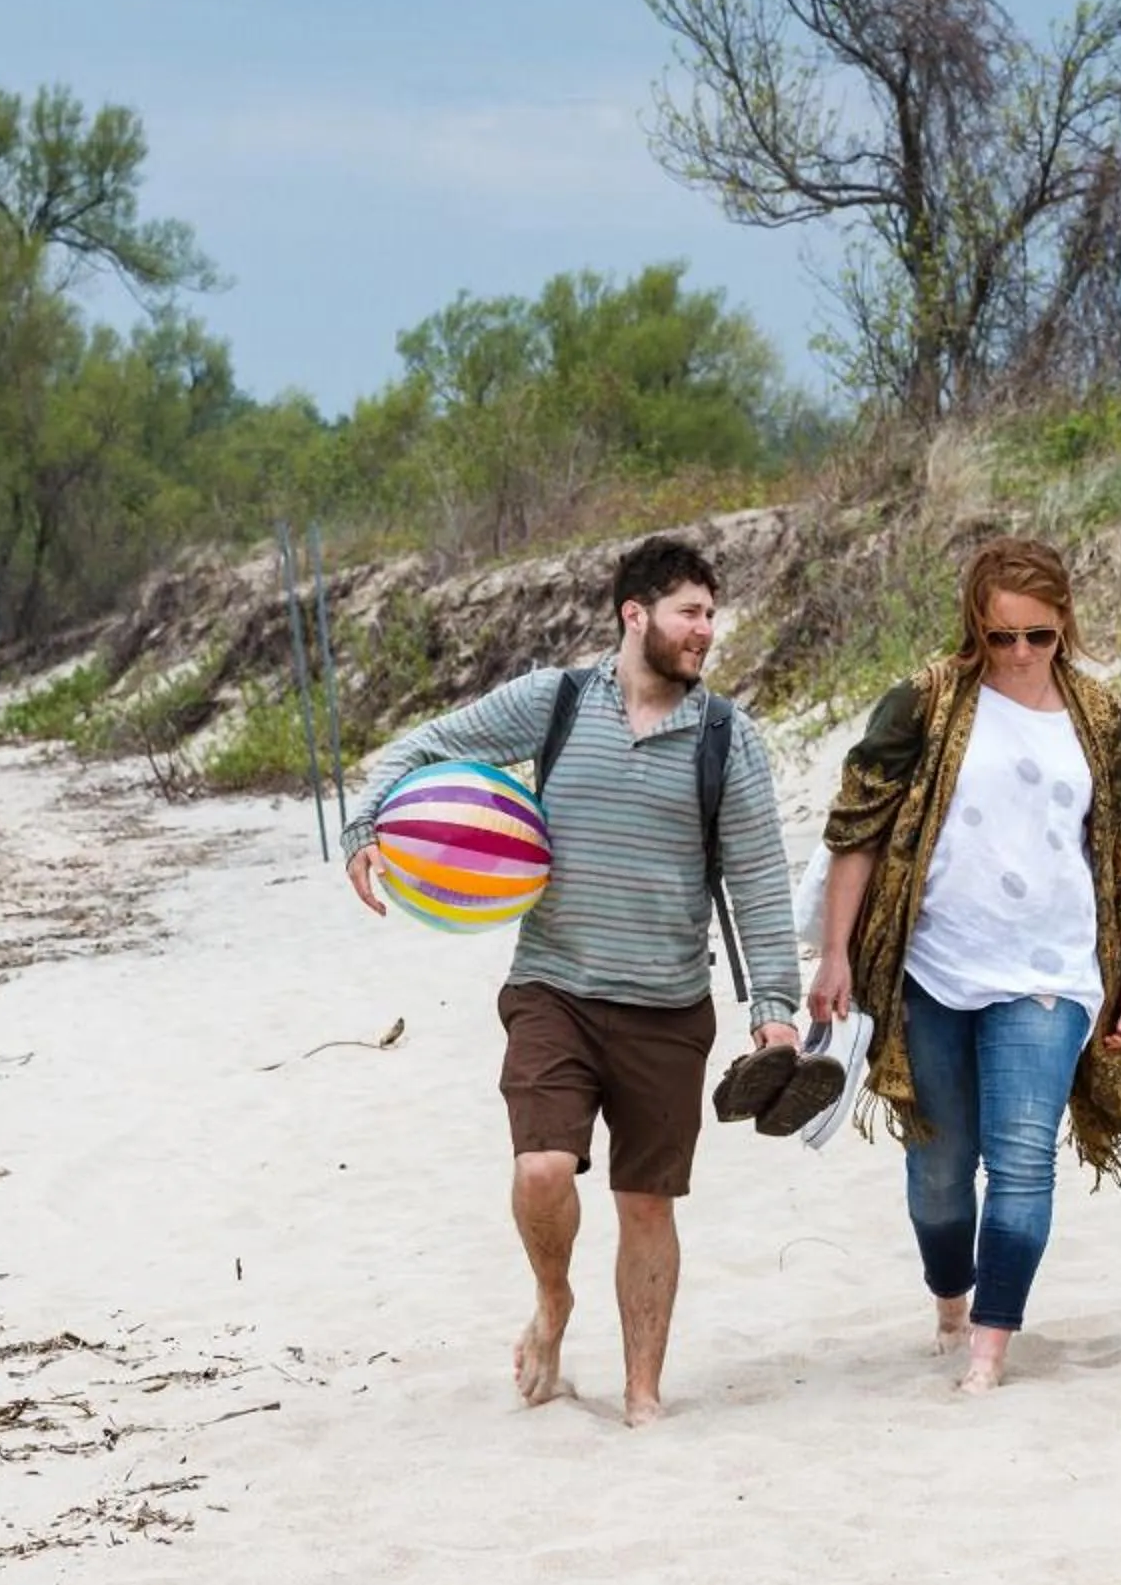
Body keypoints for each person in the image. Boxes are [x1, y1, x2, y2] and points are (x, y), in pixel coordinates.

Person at [344, 536, 803, 1427]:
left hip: (668, 1005)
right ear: (635, 615)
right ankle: (554, 1299)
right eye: (690, 612)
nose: (706, 630)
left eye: (712, 614)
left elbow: (757, 878)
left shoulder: (726, 737)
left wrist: (774, 1012)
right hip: (552, 988)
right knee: (542, 1169)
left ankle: (642, 1394)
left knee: (646, 1204)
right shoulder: (554, 702)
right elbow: (424, 745)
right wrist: (367, 826)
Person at [808, 536, 1121, 1394]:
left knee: (1022, 1159)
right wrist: (835, 955)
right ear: (975, 626)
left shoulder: (1100, 718)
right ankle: (950, 1300)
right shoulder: (925, 703)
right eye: (1002, 636)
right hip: (933, 966)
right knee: (939, 1171)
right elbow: (856, 829)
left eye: (1039, 635)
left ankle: (989, 1348)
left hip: (1052, 973)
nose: (1021, 653)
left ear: (1064, 623)